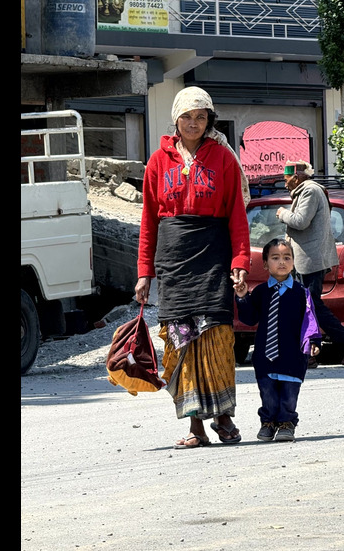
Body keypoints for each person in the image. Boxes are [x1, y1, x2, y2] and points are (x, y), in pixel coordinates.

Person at [134, 86, 252, 449]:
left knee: (216, 336)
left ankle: (223, 416)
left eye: (201, 117)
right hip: (173, 261)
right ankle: (195, 426)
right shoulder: (157, 161)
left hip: (213, 256)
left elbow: (237, 215)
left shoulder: (224, 159)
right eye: (187, 116)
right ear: (176, 119)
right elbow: (149, 221)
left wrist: (240, 262)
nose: (194, 123)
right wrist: (144, 273)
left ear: (209, 120)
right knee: (180, 341)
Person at [275, 160, 344, 365]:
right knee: (307, 306)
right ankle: (310, 353)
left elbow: (300, 221)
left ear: (296, 177)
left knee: (309, 305)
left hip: (310, 260)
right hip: (307, 259)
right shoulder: (308, 190)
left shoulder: (309, 191)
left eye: (287, 178)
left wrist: (282, 214)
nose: (285, 183)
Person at [233, 238, 321, 442]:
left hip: (293, 355)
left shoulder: (301, 293)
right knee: (268, 393)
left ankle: (286, 423)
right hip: (265, 355)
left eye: (287, 257)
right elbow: (249, 318)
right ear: (265, 264)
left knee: (289, 394)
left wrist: (314, 341)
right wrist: (243, 297)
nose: (282, 262)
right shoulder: (261, 292)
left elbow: (311, 321)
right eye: (275, 258)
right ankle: (268, 422)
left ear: (293, 261)